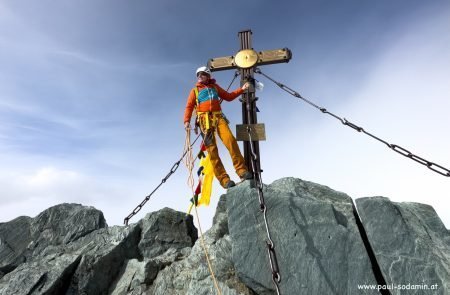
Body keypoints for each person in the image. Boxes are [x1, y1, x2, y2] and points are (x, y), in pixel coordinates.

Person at [184, 66, 253, 189]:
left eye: (202, 74)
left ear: (208, 76)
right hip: (204, 123)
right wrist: (186, 121)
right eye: (198, 74)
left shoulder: (215, 87)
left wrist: (242, 89)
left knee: (230, 141)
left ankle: (242, 170)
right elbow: (189, 106)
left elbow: (228, 96)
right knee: (212, 151)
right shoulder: (194, 91)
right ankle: (224, 179)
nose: (200, 76)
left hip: (219, 119)